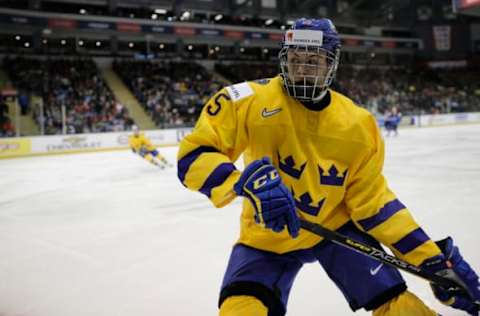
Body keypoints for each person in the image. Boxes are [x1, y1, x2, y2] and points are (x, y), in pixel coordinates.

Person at [177, 18, 480, 316]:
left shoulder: (359, 125)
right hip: (266, 235)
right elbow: (194, 155)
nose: (302, 70)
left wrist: (433, 261)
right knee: (240, 309)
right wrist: (240, 181)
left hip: (335, 229)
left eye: (314, 61)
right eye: (295, 60)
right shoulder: (246, 100)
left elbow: (375, 205)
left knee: (396, 305)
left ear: (331, 63)